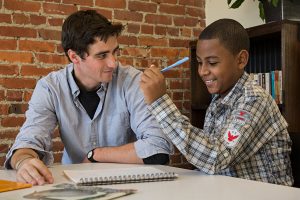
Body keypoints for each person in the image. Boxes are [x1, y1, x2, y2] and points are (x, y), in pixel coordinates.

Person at [5, 10, 173, 185]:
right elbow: (28, 141)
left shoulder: (132, 81)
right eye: (102, 55)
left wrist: (96, 155)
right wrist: (24, 162)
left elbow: (159, 147)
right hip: (73, 186)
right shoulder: (50, 88)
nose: (113, 63)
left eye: (115, 52)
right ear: (74, 57)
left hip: (129, 182)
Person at [140, 18, 293, 186]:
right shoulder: (218, 99)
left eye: (212, 62)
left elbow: (216, 158)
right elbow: (210, 166)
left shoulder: (254, 100)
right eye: (199, 62)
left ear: (241, 60)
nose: (203, 71)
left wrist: (160, 103)